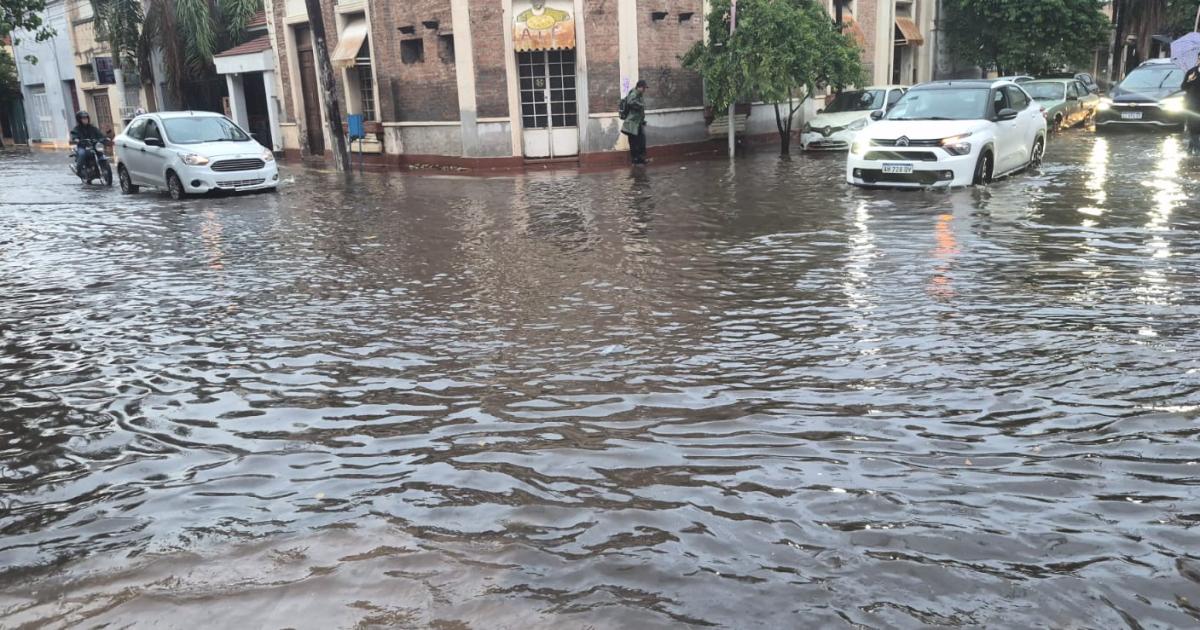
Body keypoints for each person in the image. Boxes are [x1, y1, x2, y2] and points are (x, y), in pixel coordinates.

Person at [622, 79, 648, 165]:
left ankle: (640, 159)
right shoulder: (634, 93)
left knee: (641, 140)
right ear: (639, 87)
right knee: (634, 141)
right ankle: (635, 159)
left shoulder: (639, 94)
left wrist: (642, 120)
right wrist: (641, 105)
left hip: (637, 122)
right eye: (644, 88)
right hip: (632, 123)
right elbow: (630, 102)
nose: (644, 90)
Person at [1184, 60, 1200, 154]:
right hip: (1192, 106)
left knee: (1197, 127)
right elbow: (1183, 87)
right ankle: (1198, 150)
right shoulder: (1191, 72)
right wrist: (1189, 80)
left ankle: (1190, 149)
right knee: (1193, 126)